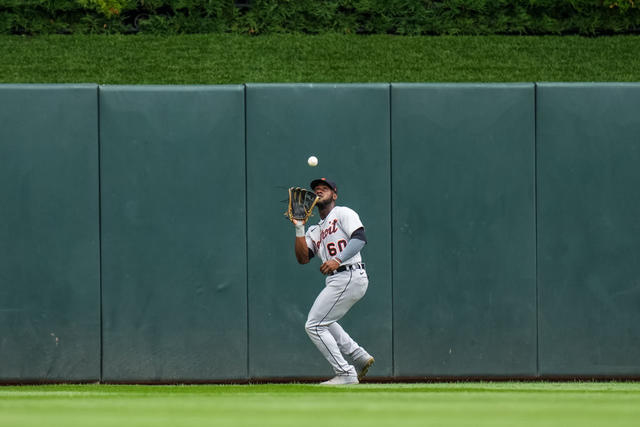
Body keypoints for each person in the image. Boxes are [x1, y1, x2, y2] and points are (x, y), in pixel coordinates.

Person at [292, 178, 374, 385]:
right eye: (316, 189)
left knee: (314, 325)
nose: (319, 190)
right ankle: (359, 356)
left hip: (350, 274)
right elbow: (302, 258)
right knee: (324, 320)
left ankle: (345, 373)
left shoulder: (343, 213)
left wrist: (337, 260)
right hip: (338, 279)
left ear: (334, 195)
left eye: (325, 188)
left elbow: (360, 238)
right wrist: (299, 227)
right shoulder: (314, 230)